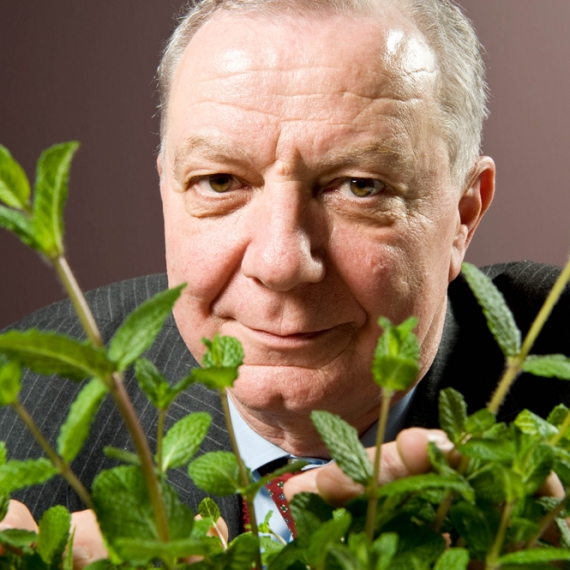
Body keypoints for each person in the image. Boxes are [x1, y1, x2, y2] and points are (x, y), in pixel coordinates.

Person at [1, 0, 569, 567]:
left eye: (360, 186)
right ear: (166, 194)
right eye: (220, 181)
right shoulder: (21, 408)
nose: (279, 264)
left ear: (464, 215)